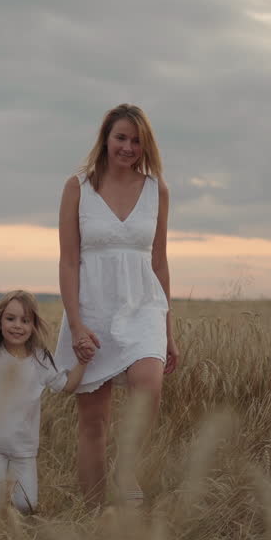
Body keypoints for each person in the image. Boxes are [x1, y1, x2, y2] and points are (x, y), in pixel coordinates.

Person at [55, 103, 181, 506]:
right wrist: (76, 325)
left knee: (149, 386)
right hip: (92, 310)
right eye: (121, 138)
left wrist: (168, 329)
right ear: (105, 139)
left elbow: (159, 261)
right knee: (94, 423)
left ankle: (128, 475)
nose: (128, 147)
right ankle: (94, 514)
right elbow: (68, 260)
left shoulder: (156, 189)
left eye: (136, 140)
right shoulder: (78, 187)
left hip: (144, 307)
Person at [0, 290, 90, 514]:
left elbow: (67, 386)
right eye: (10, 318)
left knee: (26, 505)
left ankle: (16, 529)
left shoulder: (40, 359)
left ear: (34, 324)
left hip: (23, 447)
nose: (17, 325)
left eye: (25, 320)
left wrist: (83, 362)